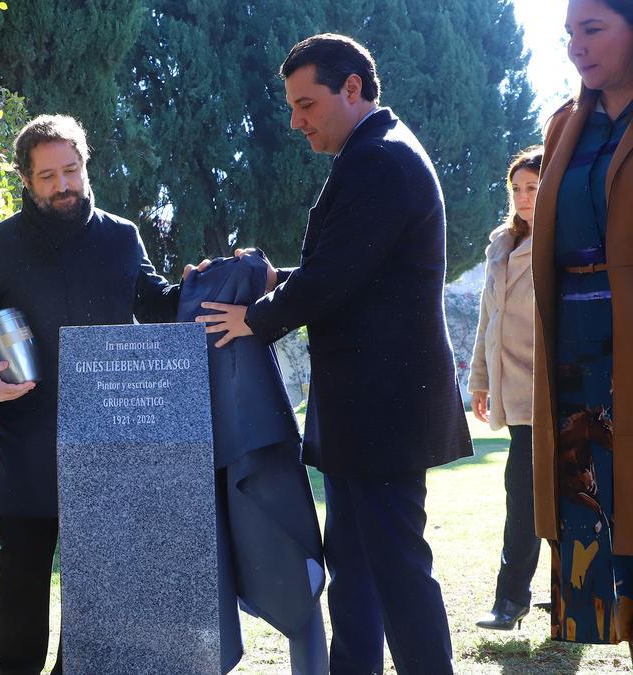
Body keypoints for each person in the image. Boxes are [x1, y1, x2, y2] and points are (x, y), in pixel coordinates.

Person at [196, 34, 472, 674]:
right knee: (356, 568)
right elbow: (348, 266)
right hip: (367, 411)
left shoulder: (381, 160)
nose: (296, 122)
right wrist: (272, 280)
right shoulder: (374, 153)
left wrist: (255, 319)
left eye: (306, 104)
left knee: (395, 569)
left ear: (353, 88)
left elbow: (334, 277)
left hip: (384, 410)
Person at [0, 114, 197, 674]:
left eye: (71, 170)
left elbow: (155, 300)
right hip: (30, 437)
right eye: (47, 176)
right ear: (26, 179)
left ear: (85, 165)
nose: (62, 185)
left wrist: (203, 284)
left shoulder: (122, 236)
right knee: (22, 565)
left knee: (102, 568)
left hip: (108, 438)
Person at [531, 0, 633, 653]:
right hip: (574, 360)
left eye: (592, 28)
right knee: (595, 538)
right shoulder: (564, 125)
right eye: (568, 32)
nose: (575, 45)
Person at [470, 147, 544, 631]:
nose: (521, 197)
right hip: (513, 392)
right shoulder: (501, 243)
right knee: (522, 497)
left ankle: (552, 596)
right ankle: (512, 599)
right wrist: (479, 381)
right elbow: (486, 320)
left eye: (531, 188)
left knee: (562, 498)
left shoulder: (567, 238)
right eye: (515, 188)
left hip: (558, 392)